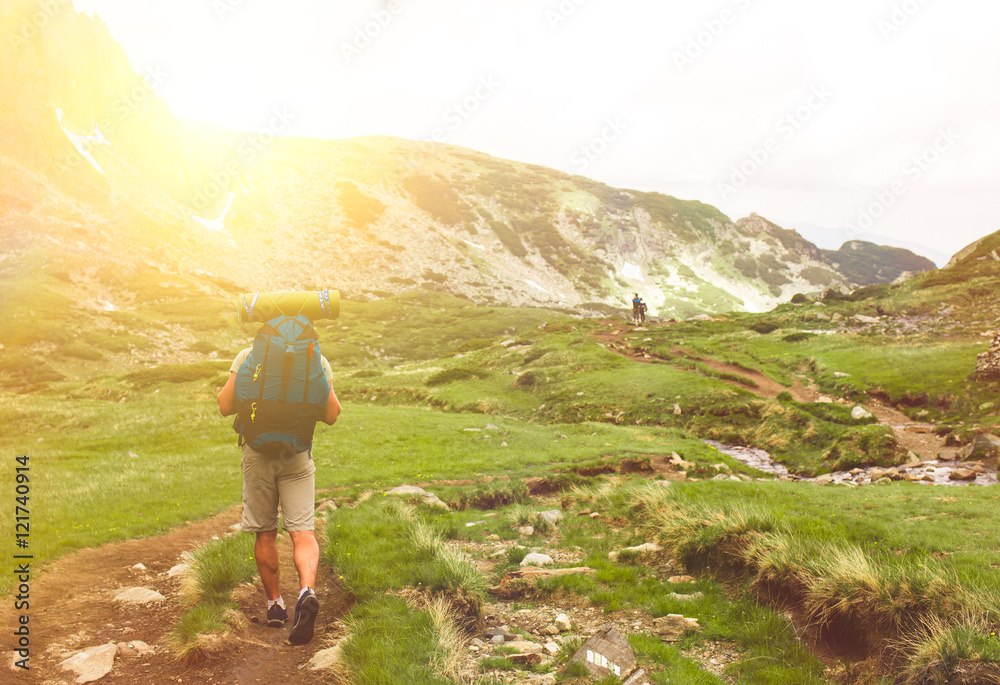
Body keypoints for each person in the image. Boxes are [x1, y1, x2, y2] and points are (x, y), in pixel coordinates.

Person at [216, 346, 341, 645]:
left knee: (265, 532)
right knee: (302, 531)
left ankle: (274, 605)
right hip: (297, 454)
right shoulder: (316, 358)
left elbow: (224, 405)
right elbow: (332, 414)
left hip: (258, 453)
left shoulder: (249, 355)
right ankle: (306, 592)